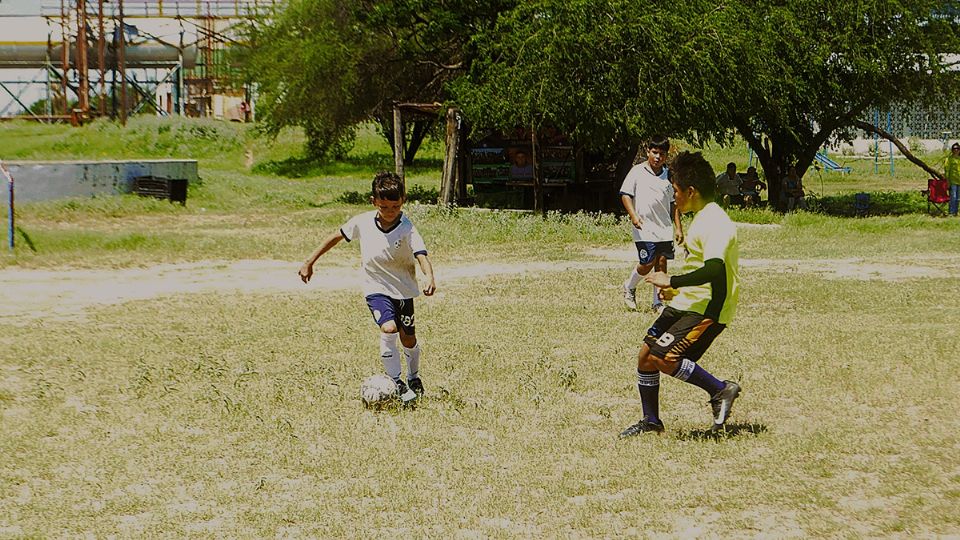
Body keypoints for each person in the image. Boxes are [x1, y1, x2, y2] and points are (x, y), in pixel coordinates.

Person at [619, 150, 742, 438]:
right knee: (647, 356)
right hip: (688, 302)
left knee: (666, 358)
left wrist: (671, 277)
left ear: (691, 191)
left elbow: (714, 270)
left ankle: (720, 389)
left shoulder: (716, 221)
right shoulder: (699, 217)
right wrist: (675, 289)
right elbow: (700, 265)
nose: (674, 197)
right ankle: (651, 421)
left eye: (675, 191)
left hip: (708, 307)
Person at [299, 171, 436, 401]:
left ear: (403, 201)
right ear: (374, 202)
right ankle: (396, 382)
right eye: (384, 207)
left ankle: (414, 377)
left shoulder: (406, 227)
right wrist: (310, 261)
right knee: (389, 329)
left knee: (408, 339)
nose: (390, 212)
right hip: (376, 288)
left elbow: (420, 253)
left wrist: (429, 276)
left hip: (403, 290)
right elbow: (335, 237)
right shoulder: (361, 222)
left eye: (396, 206)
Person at [619, 135, 683, 312]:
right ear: (648, 152)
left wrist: (678, 228)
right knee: (647, 262)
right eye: (654, 152)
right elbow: (625, 194)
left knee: (661, 263)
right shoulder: (637, 172)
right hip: (644, 227)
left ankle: (657, 302)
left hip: (664, 228)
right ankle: (629, 287)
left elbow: (674, 204)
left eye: (662, 154)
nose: (657, 157)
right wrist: (633, 215)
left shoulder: (669, 175)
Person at [944, 142, 960, 216]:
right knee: (953, 197)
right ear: (952, 150)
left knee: (958, 198)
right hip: (952, 181)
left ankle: (956, 212)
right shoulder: (949, 159)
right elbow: (947, 171)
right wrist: (948, 182)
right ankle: (951, 212)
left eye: (957, 148)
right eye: (954, 149)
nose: (956, 150)